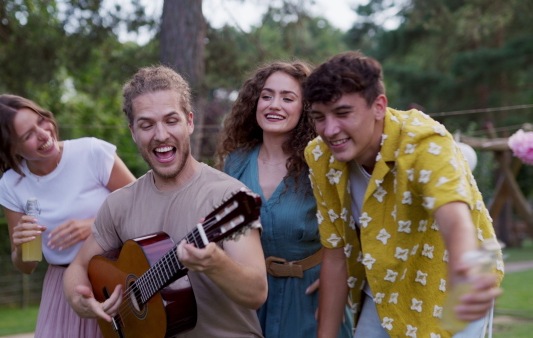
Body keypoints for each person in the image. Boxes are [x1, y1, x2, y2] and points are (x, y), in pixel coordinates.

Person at [302, 51, 504, 338]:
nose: (330, 130)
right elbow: (336, 255)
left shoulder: (424, 139)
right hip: (385, 289)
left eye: (343, 113)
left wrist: (466, 268)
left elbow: (453, 213)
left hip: (452, 283)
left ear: (379, 106)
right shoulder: (320, 156)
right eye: (319, 117)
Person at [63, 65, 268, 337]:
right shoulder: (119, 204)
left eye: (171, 121)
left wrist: (216, 263)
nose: (161, 135)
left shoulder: (228, 197)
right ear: (133, 132)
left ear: (190, 122)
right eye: (147, 125)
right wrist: (81, 301)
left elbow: (256, 292)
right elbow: (76, 267)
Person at [215, 61, 353, 338]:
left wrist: (344, 277)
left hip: (310, 298)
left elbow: (359, 223)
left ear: (306, 108)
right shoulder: (236, 164)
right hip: (250, 301)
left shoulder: (323, 164)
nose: (273, 105)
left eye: (287, 98)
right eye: (266, 96)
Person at [0, 94, 136, 337]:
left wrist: (95, 226)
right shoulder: (11, 186)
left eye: (41, 121)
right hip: (64, 291)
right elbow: (27, 266)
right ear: (12, 149)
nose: (43, 133)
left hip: (117, 277)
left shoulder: (91, 152)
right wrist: (23, 248)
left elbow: (141, 206)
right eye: (28, 135)